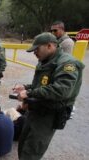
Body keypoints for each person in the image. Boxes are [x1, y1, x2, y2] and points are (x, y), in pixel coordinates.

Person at [13, 32, 84, 160]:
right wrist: (26, 87)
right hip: (34, 111)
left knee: (31, 152)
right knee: (23, 144)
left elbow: (61, 90)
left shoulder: (67, 64)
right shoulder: (45, 60)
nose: (34, 53)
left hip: (48, 116)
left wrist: (29, 93)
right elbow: (42, 84)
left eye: (37, 49)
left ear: (50, 46)